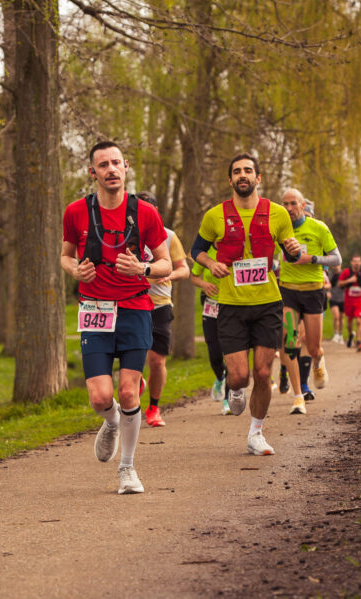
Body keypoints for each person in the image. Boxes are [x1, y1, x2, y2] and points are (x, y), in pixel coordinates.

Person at [61, 141, 171, 494]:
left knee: (128, 392)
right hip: (94, 309)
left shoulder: (145, 213)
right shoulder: (76, 211)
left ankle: (127, 469)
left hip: (135, 309)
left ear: (126, 167)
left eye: (116, 163)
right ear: (92, 172)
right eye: (103, 165)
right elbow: (65, 256)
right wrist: (75, 271)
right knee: (99, 397)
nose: (111, 169)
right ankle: (111, 423)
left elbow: (166, 264)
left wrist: (143, 268)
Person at [191, 153, 303, 456]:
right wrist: (211, 263)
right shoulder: (214, 215)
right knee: (240, 375)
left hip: (268, 303)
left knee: (264, 373)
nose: (243, 175)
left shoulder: (278, 213)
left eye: (248, 170)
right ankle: (235, 388)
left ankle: (256, 433)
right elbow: (196, 249)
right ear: (230, 180)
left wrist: (293, 250)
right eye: (237, 171)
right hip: (230, 304)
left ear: (258, 178)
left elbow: (290, 254)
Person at [276, 189, 341, 412]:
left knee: (313, 347)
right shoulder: (278, 230)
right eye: (285, 204)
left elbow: (336, 259)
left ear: (303, 205)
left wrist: (311, 259)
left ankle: (318, 361)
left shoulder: (319, 227)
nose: (289, 208)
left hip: (313, 292)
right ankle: (298, 396)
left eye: (293, 203)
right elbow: (271, 256)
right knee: (290, 343)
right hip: (288, 292)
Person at [136, 192, 190, 428]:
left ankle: (153, 408)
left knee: (157, 361)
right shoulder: (126, 236)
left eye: (148, 209)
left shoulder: (168, 236)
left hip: (160, 305)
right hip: (132, 303)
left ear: (156, 212)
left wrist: (169, 274)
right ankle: (137, 382)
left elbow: (184, 269)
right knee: (132, 356)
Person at [190, 245, 230, 414]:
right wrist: (204, 284)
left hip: (232, 306)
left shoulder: (233, 247)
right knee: (214, 353)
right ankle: (220, 377)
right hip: (211, 306)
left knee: (231, 353)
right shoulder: (205, 253)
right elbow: (193, 277)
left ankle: (228, 398)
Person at [340, 254, 361, 351]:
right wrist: (349, 280)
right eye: (355, 261)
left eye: (358, 261)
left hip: (359, 300)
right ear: (351, 262)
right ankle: (351, 335)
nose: (356, 263)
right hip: (349, 300)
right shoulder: (346, 272)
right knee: (349, 323)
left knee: (358, 320)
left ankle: (359, 342)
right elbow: (339, 283)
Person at [328, 265, 345, 343]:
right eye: (334, 265)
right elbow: (326, 284)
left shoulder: (344, 274)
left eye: (337, 265)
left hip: (343, 298)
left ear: (340, 265)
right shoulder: (330, 275)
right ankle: (336, 334)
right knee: (336, 316)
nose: (336, 266)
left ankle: (340, 334)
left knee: (341, 318)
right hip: (333, 298)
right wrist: (327, 292)